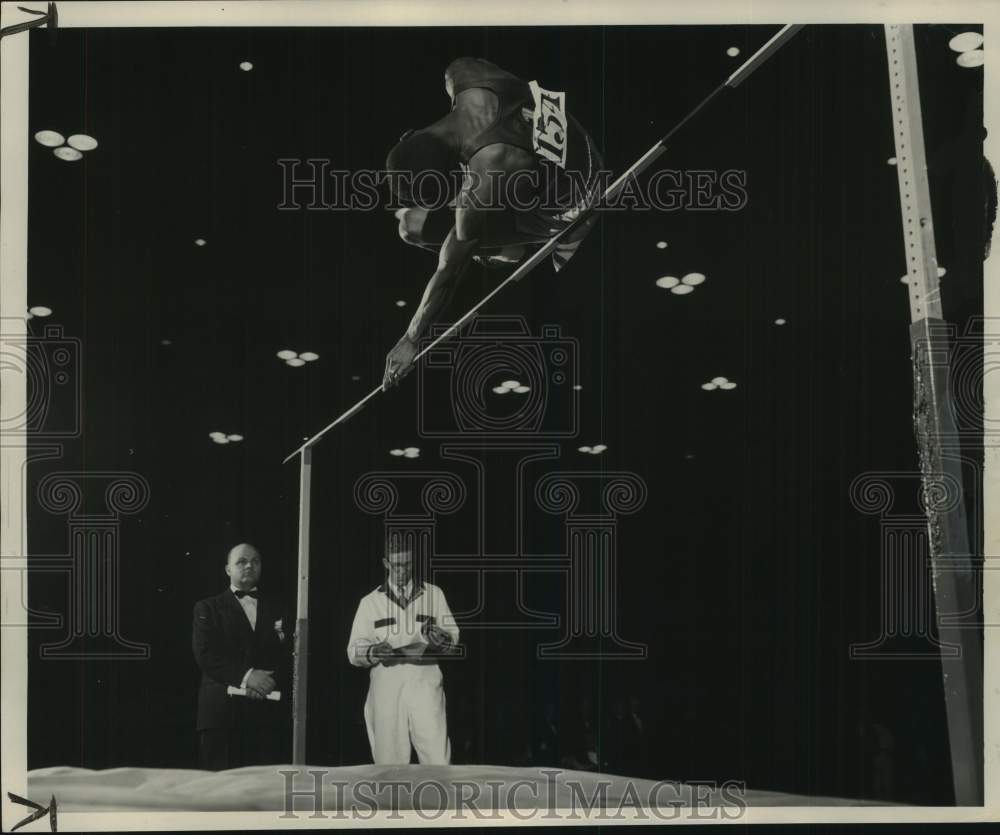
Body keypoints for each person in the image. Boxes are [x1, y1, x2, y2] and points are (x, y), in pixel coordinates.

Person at [382, 56, 606, 390]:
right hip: (567, 143)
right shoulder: (462, 73)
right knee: (416, 222)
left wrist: (411, 337)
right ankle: (505, 228)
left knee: (419, 231)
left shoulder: (489, 170)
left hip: (580, 196)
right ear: (409, 135)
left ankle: (510, 248)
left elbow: (447, 273)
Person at [347, 545, 460, 764]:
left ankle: (438, 798)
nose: (402, 570)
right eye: (397, 565)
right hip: (386, 687)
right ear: (386, 563)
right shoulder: (370, 602)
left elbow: (453, 637)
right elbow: (353, 650)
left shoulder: (434, 594)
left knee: (437, 759)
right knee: (388, 762)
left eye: (407, 564)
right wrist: (373, 651)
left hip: (425, 683)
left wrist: (443, 639)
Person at [192, 543, 292, 769]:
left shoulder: (280, 607)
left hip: (267, 713)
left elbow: (290, 653)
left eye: (255, 561)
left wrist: (269, 682)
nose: (249, 565)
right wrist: (249, 677)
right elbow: (205, 654)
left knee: (265, 792)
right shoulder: (207, 607)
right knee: (219, 795)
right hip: (222, 716)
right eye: (241, 561)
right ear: (228, 569)